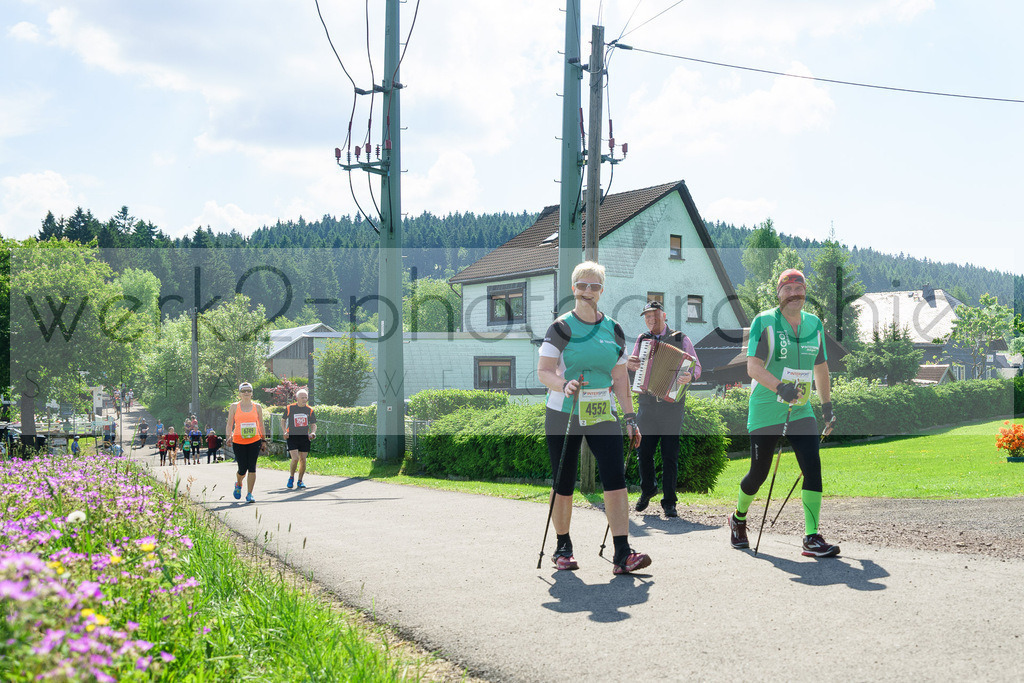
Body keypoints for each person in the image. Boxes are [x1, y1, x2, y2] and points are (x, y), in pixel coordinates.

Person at [536, 261, 650, 575]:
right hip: (564, 411)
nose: (588, 291)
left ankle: (623, 552)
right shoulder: (561, 327)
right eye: (583, 285)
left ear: (601, 291)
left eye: (594, 286)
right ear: (574, 288)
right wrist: (564, 383)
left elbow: (620, 378)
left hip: (602, 412)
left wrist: (630, 418)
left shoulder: (613, 329)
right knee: (564, 482)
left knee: (615, 479)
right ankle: (563, 547)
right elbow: (544, 371)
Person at [729, 268, 839, 557]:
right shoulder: (764, 321)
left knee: (811, 467)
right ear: (778, 293)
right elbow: (752, 367)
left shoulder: (815, 324)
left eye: (799, 288)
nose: (794, 293)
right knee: (758, 473)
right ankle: (738, 518)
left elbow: (821, 367)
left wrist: (826, 406)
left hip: (801, 409)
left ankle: (811, 537)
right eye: (787, 289)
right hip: (766, 406)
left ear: (805, 292)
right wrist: (780, 387)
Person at [626, 300, 702, 518]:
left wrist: (689, 376)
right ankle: (648, 488)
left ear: (664, 316)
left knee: (669, 454)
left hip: (672, 406)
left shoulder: (680, 338)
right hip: (647, 403)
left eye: (654, 315)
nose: (651, 320)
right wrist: (631, 366)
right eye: (647, 317)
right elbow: (633, 366)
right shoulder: (642, 340)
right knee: (643, 450)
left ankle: (669, 501)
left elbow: (696, 366)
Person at [226, 381, 266, 504]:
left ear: (252, 393)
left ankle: (250, 494)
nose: (246, 393)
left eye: (249, 391)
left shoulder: (257, 407)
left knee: (252, 467)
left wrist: (263, 440)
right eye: (244, 391)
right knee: (242, 469)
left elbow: (261, 424)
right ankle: (238, 483)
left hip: (254, 440)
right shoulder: (234, 406)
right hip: (238, 441)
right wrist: (228, 436)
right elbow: (229, 424)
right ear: (239, 394)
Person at [281, 388, 317, 489]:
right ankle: (291, 477)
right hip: (292, 436)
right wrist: (284, 431)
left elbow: (313, 424)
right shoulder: (290, 408)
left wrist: (313, 432)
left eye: (306, 397)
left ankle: (300, 481)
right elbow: (283, 420)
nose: (304, 399)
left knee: (303, 460)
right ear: (297, 398)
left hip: (304, 437)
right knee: (295, 458)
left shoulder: (309, 410)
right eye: (302, 398)